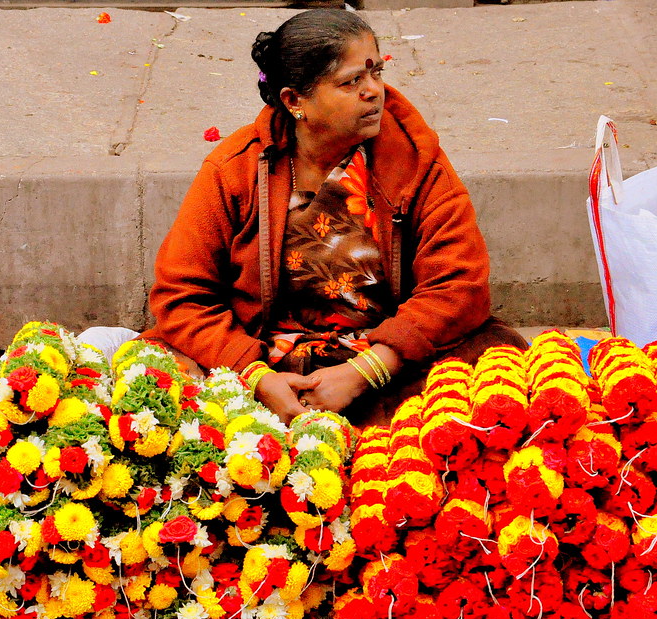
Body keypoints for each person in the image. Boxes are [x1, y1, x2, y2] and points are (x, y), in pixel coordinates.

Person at [144, 8, 527, 426]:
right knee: (151, 387)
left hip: (389, 360)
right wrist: (254, 377)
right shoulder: (235, 169)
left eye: (376, 73)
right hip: (265, 357)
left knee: (499, 373)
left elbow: (459, 284)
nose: (374, 91)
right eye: (351, 82)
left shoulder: (414, 161)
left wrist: (367, 371)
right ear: (294, 101)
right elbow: (182, 294)